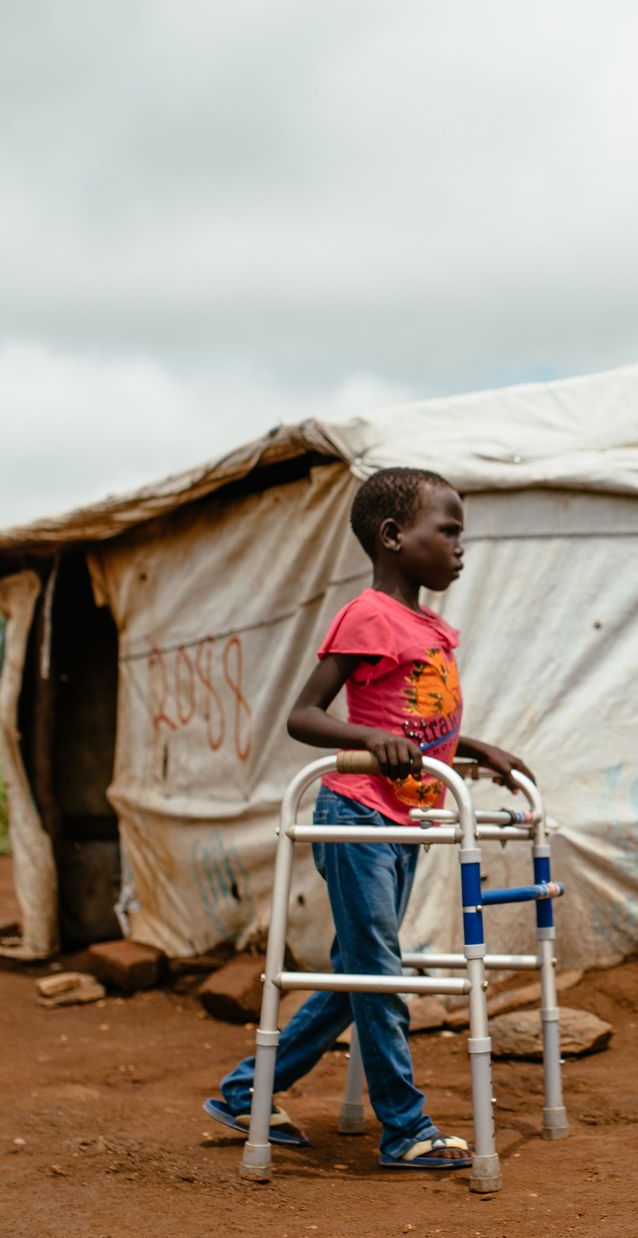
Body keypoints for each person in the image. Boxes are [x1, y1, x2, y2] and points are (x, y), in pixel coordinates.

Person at [205, 466, 531, 1169]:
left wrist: (476, 748)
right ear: (392, 536)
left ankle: (244, 1092)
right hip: (357, 818)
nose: (459, 546)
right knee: (380, 974)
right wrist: (362, 741)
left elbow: (412, 728)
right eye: (447, 531)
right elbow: (304, 714)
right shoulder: (368, 615)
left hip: (402, 822)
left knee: (362, 971)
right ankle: (406, 1127)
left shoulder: (429, 627)